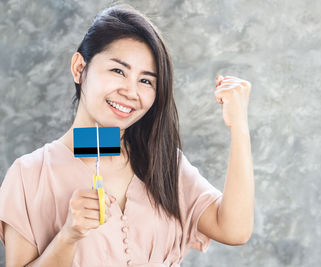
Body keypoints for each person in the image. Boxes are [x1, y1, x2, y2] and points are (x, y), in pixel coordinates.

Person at [0, 4, 254, 267]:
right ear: (79, 68)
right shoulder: (28, 175)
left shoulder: (164, 163)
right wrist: (68, 236)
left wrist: (239, 126)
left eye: (146, 81)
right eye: (118, 71)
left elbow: (234, 230)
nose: (131, 92)